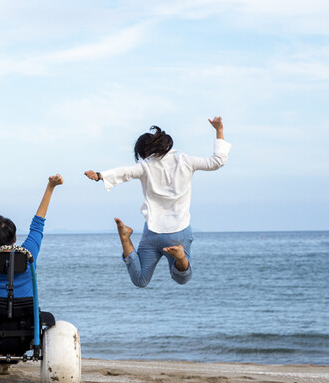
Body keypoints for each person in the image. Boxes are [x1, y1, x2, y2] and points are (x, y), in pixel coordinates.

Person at [84, 117, 231, 288]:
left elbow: (124, 172)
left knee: (140, 279)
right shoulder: (184, 160)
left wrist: (100, 175)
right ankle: (181, 257)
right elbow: (217, 161)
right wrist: (219, 130)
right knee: (182, 278)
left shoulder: (145, 166)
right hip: (178, 232)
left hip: (152, 232)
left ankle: (125, 238)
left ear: (143, 153)